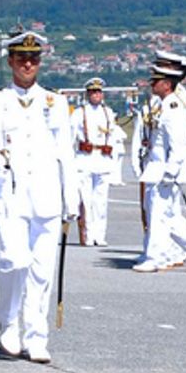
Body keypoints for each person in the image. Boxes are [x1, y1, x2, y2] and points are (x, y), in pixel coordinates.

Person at [0, 31, 79, 363]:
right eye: (21, 59)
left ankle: (36, 335)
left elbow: (65, 153)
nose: (28, 64)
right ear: (10, 61)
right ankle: (8, 321)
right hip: (10, 195)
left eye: (33, 59)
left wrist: (71, 196)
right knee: (14, 260)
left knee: (42, 270)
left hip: (46, 195)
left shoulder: (55, 102)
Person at [132, 52, 186, 273]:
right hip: (156, 168)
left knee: (158, 216)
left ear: (167, 84)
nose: (152, 84)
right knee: (162, 215)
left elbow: (178, 144)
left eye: (156, 81)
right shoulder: (164, 105)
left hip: (164, 170)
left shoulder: (173, 107)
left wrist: (171, 172)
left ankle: (155, 258)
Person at [71, 77, 122, 246]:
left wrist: (113, 160)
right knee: (86, 200)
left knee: (101, 201)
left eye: (99, 92)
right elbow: (71, 137)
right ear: (87, 94)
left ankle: (99, 235)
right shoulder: (79, 113)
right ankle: (87, 234)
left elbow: (113, 136)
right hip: (85, 158)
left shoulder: (108, 112)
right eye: (93, 92)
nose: (96, 95)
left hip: (103, 159)